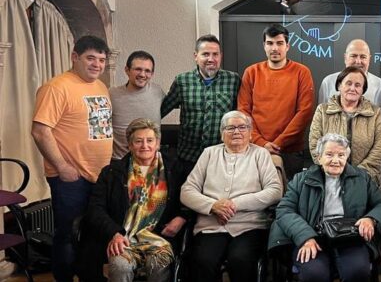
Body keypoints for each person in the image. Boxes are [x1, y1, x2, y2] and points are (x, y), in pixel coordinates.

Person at [269, 133, 381, 282]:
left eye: (341, 155)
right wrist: (305, 236)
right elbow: (284, 210)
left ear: (347, 157)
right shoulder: (302, 179)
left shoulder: (361, 178)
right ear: (318, 156)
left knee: (358, 274)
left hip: (350, 239)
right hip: (314, 238)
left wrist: (370, 219)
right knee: (314, 277)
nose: (335, 160)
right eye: (330, 154)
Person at [180, 111, 282, 282]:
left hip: (249, 224)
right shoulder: (209, 154)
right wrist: (212, 205)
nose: (236, 132)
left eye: (242, 127)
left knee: (241, 259)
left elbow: (275, 191)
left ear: (250, 132)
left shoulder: (261, 155)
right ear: (222, 133)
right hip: (211, 224)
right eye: (230, 128)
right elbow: (187, 190)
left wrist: (236, 204)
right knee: (204, 260)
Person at [87, 119, 187, 282]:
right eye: (138, 141)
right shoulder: (112, 172)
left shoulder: (175, 168)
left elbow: (189, 199)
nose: (145, 146)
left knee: (159, 263)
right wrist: (114, 233)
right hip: (124, 237)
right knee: (120, 266)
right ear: (129, 145)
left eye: (150, 140)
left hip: (160, 237)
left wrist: (182, 217)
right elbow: (95, 209)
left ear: (158, 143)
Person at [31, 34, 113, 282]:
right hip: (70, 178)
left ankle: (89, 281)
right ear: (74, 57)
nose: (97, 64)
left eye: (102, 60)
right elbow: (40, 131)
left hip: (98, 176)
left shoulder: (100, 86)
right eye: (91, 58)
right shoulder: (56, 87)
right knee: (67, 234)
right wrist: (63, 167)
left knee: (93, 233)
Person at [238, 23, 315, 180]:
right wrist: (261, 142)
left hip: (291, 151)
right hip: (256, 148)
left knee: (291, 198)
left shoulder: (302, 72)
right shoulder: (251, 72)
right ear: (264, 46)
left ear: (287, 46)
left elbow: (305, 112)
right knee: (256, 197)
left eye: (279, 43)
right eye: (270, 43)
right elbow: (243, 110)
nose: (274, 48)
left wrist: (278, 143)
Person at [161, 35, 240, 183]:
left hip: (222, 158)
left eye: (215, 54)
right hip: (188, 159)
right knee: (185, 201)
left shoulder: (233, 80)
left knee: (217, 203)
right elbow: (159, 111)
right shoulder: (182, 81)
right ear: (195, 56)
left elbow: (242, 115)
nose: (211, 59)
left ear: (221, 56)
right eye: (205, 54)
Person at [309, 66, 381, 189]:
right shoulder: (322, 111)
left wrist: (358, 175)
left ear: (363, 90)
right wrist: (335, 170)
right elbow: (315, 145)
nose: (352, 88)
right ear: (339, 85)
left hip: (366, 182)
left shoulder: (375, 113)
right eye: (348, 83)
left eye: (358, 85)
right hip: (330, 181)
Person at [110, 50, 165, 159]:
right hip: (120, 162)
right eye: (138, 69)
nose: (142, 74)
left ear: (152, 74)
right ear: (127, 70)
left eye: (147, 71)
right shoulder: (111, 94)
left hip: (151, 162)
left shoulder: (158, 92)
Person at [317, 39, 381, 106]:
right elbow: (321, 113)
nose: (358, 61)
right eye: (353, 56)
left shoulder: (380, 85)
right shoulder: (328, 82)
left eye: (363, 57)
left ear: (369, 59)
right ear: (345, 58)